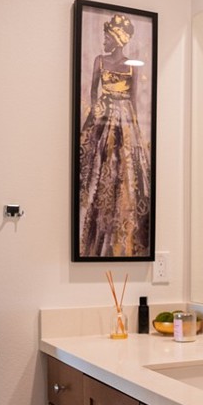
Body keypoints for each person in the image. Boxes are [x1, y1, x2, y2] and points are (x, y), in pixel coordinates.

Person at [78, 13, 151, 258]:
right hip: (103, 116)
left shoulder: (132, 66)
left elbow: (133, 100)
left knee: (125, 169)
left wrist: (135, 130)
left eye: (108, 37)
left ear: (118, 39)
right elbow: (92, 92)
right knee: (98, 166)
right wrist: (96, 111)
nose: (104, 41)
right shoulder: (100, 61)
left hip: (125, 120)